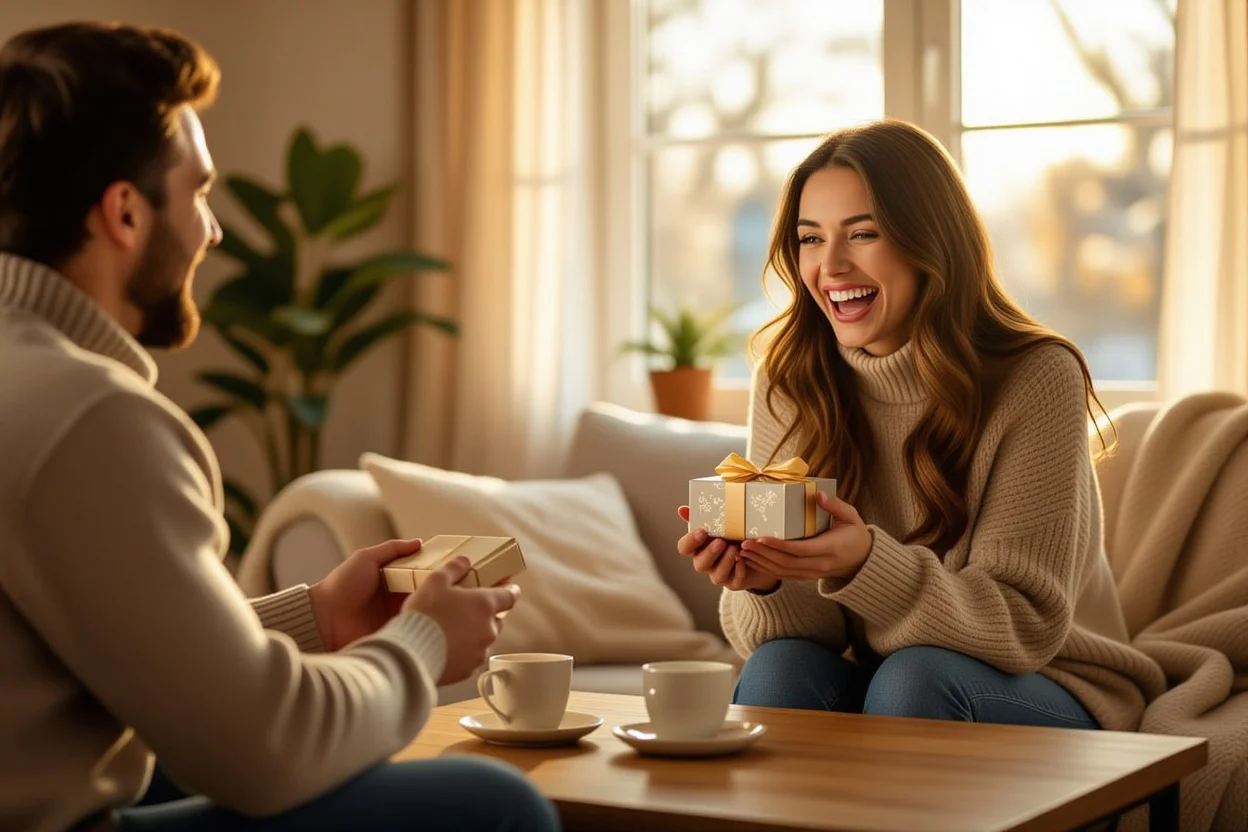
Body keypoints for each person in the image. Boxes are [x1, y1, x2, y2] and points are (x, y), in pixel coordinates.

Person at [0, 21, 559, 832]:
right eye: (197, 193)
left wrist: (320, 619)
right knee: (492, 806)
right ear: (123, 213)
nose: (213, 230)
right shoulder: (88, 417)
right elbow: (270, 750)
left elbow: (113, 654)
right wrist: (423, 643)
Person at [676, 120, 1161, 734]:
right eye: (809, 238)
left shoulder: (1036, 376)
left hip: (1048, 681)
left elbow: (1024, 626)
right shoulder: (789, 376)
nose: (831, 265)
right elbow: (794, 638)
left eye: (864, 234)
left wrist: (863, 564)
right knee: (779, 669)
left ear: (930, 241)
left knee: (915, 678)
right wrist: (769, 581)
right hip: (877, 672)